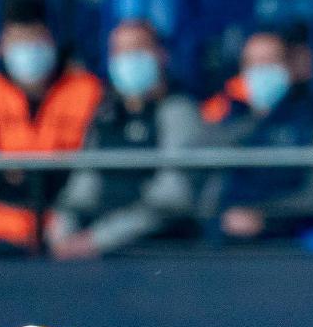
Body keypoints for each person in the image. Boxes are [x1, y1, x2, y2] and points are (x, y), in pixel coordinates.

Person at [0, 0, 103, 256]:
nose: (26, 49)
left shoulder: (86, 91)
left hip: (60, 239)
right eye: (17, 40)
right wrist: (39, 182)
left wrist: (24, 176)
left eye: (34, 39)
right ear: (2, 44)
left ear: (52, 39)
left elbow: (87, 171)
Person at [49, 19, 200, 259]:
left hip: (153, 251)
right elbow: (83, 185)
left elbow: (172, 196)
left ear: (161, 55)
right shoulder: (105, 113)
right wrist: (61, 233)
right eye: (120, 51)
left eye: (138, 49)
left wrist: (99, 239)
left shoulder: (177, 111)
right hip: (95, 251)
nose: (128, 59)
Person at [200, 31, 313, 242]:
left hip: (290, 245)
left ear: (291, 66)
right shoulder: (227, 120)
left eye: (269, 61)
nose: (261, 71)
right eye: (252, 63)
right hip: (224, 243)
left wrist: (265, 217)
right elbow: (201, 183)